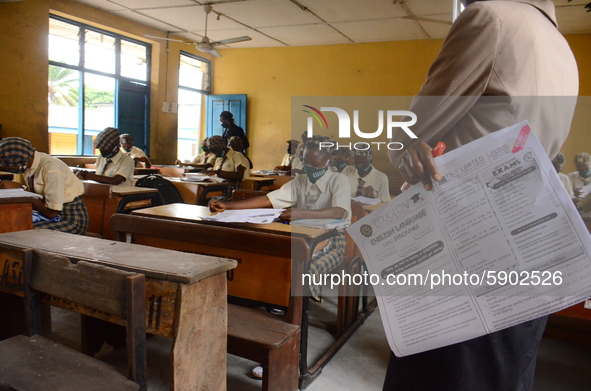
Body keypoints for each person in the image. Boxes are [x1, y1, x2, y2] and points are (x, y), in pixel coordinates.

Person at [386, 1, 578, 391]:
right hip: (530, 237)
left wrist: (398, 147)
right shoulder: (563, 48)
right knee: (503, 373)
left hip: (466, 237)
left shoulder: (490, 18)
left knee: (439, 375)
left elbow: (413, 130)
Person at [0, 137, 88, 234]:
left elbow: (52, 213)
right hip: (46, 213)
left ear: (17, 162)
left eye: (6, 165)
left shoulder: (51, 170)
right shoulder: (30, 161)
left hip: (69, 219)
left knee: (18, 229)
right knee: (8, 223)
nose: (5, 168)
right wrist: (19, 189)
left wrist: (27, 196)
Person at [202, 135, 249, 200]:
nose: (215, 153)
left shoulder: (237, 155)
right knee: (203, 197)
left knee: (209, 201)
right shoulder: (219, 158)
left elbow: (239, 175)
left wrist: (217, 172)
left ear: (221, 146)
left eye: (215, 150)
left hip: (232, 191)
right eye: (212, 151)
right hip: (220, 189)